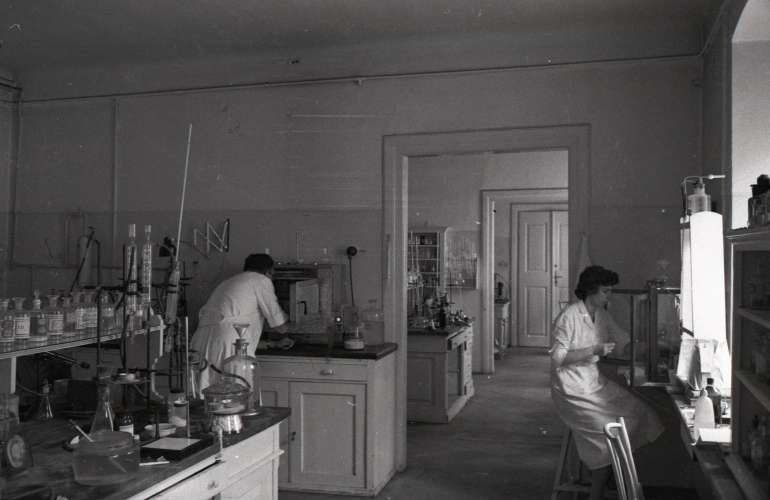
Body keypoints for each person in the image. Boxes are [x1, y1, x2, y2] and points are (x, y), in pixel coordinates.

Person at [549, 265, 663, 500]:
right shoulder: (568, 317)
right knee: (607, 433)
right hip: (571, 389)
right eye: (605, 291)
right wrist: (593, 350)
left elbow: (623, 341)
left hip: (593, 382)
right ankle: (597, 493)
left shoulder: (602, 315)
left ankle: (615, 478)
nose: (609, 296)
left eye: (610, 291)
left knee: (640, 412)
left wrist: (656, 347)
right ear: (590, 290)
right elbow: (558, 359)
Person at [191, 253, 288, 391]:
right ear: (269, 272)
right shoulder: (260, 280)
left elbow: (233, 328)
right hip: (228, 345)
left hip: (200, 342)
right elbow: (280, 326)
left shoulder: (229, 282)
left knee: (206, 395)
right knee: (237, 395)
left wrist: (273, 343)